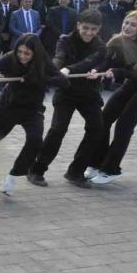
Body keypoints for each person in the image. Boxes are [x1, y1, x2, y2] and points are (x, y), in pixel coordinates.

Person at [0, 33, 69, 196]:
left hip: (32, 110)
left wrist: (35, 78)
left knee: (35, 140)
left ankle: (13, 176)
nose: (22, 56)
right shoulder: (10, 58)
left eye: (27, 53)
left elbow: (63, 82)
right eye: (20, 52)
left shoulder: (43, 61)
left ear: (35, 53)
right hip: (6, 108)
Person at [87, 11, 137, 184]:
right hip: (131, 83)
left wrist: (118, 72)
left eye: (133, 25)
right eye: (126, 22)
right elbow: (104, 60)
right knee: (104, 119)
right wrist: (96, 70)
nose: (127, 27)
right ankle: (95, 163)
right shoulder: (117, 41)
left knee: (124, 125)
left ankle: (111, 170)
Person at [28, 9, 107, 188]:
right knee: (58, 129)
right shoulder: (65, 40)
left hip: (89, 93)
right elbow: (59, 57)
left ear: (99, 29)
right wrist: (54, 70)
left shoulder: (100, 46)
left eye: (93, 29)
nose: (89, 32)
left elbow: (90, 61)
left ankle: (76, 171)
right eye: (85, 28)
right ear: (78, 25)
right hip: (66, 91)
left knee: (96, 128)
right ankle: (36, 169)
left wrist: (70, 69)